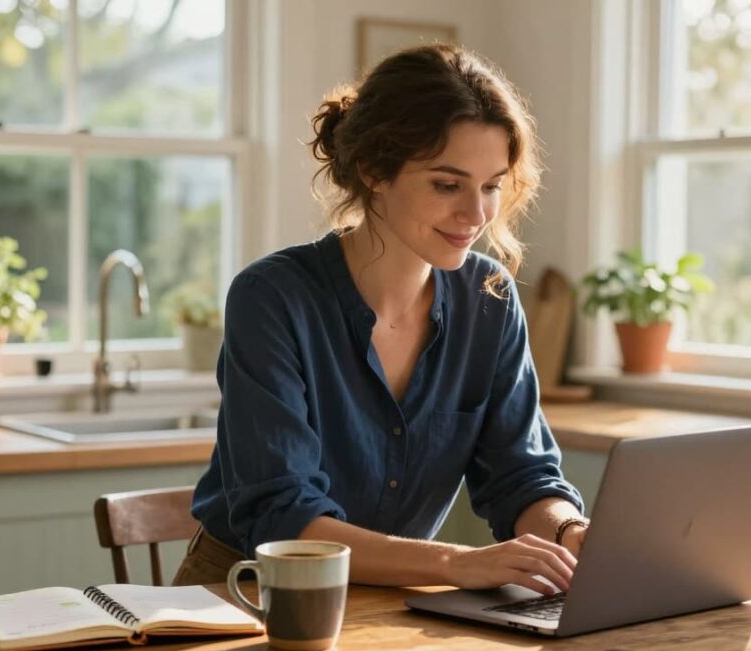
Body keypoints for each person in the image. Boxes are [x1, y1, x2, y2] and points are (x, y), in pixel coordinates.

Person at [174, 44, 588, 596]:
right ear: (374, 171)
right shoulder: (272, 298)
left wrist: (566, 529)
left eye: (490, 186)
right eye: (447, 184)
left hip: (393, 602)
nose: (477, 215)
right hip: (246, 597)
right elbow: (283, 517)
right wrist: (454, 564)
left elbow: (522, 476)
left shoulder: (490, 299)